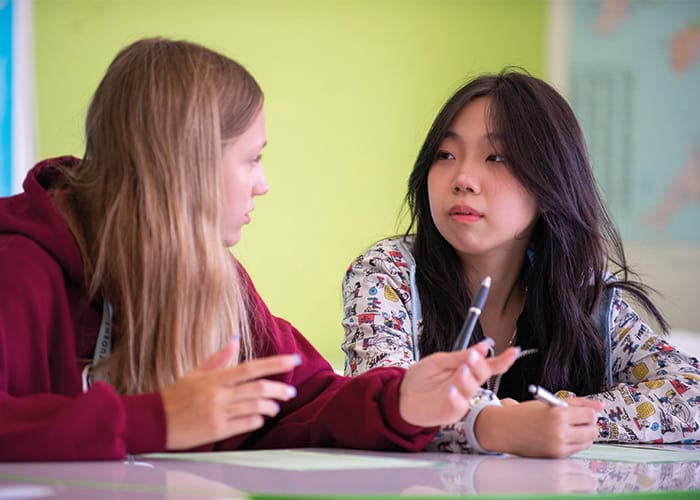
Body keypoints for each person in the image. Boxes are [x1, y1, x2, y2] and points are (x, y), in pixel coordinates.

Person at [0, 38, 520, 462]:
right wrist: (157, 420)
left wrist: (401, 400)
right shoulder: (19, 268)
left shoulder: (211, 275)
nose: (263, 183)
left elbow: (303, 397)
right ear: (188, 163)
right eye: (251, 159)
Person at [341, 69, 700, 458]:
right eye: (445, 155)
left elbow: (691, 393)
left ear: (549, 184)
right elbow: (383, 397)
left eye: (496, 157)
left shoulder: (584, 294)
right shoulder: (387, 274)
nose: (463, 178)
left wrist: (566, 420)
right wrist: (497, 426)